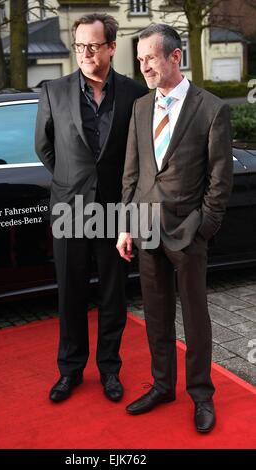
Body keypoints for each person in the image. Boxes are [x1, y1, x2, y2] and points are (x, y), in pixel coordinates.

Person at [116, 24, 233, 433]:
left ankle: (201, 394)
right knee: (156, 314)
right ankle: (163, 385)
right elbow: (131, 175)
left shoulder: (212, 109)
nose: (144, 66)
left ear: (175, 57)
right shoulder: (141, 107)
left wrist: (203, 227)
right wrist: (125, 225)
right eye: (141, 59)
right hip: (145, 229)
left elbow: (219, 181)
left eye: (150, 57)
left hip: (188, 233)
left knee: (195, 317)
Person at [35, 13, 147, 403]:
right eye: (78, 45)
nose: (84, 52)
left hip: (117, 211)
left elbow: (141, 156)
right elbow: (44, 148)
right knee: (70, 293)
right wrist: (72, 180)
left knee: (114, 295)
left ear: (112, 47)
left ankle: (110, 371)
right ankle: (69, 371)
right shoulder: (53, 90)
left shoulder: (135, 94)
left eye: (93, 45)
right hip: (69, 207)